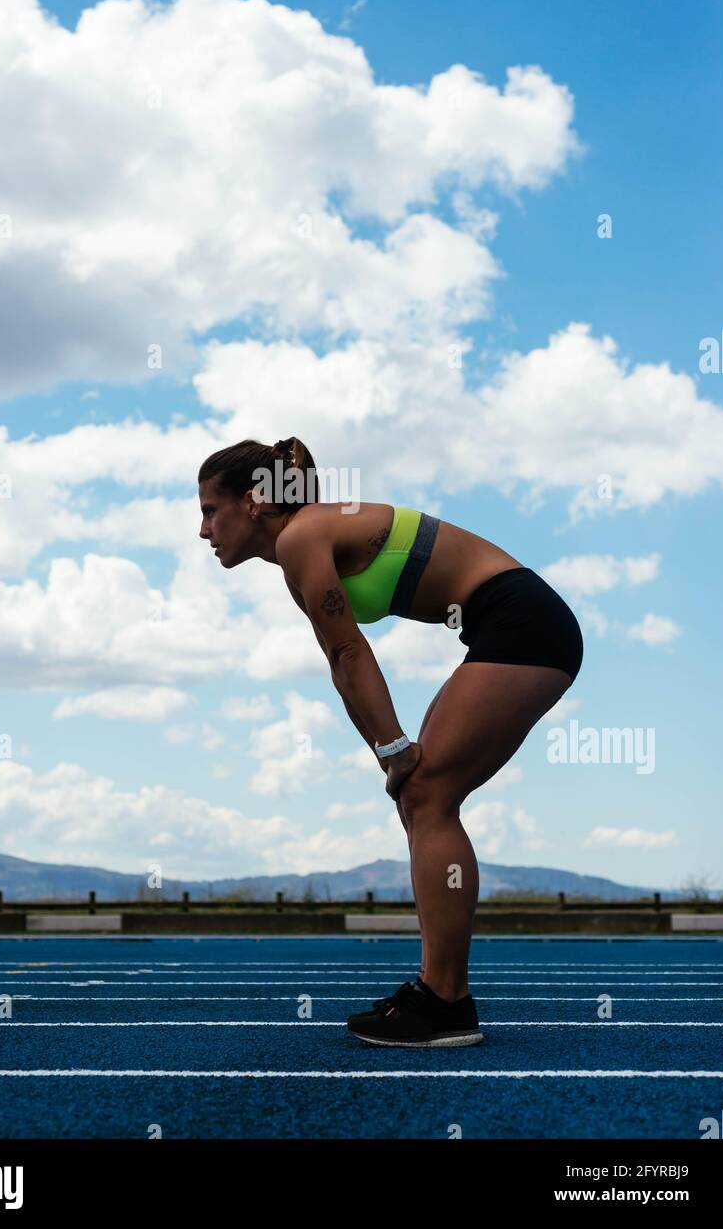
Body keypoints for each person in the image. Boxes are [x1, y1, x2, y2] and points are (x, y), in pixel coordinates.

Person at [197, 437, 583, 1047]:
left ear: (251, 502)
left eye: (209, 511)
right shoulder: (305, 539)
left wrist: (393, 746)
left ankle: (446, 1001)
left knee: (427, 793)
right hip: (513, 624)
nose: (202, 531)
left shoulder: (302, 536)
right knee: (422, 798)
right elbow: (342, 660)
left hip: (525, 621)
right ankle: (440, 991)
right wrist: (390, 747)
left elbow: (348, 652)